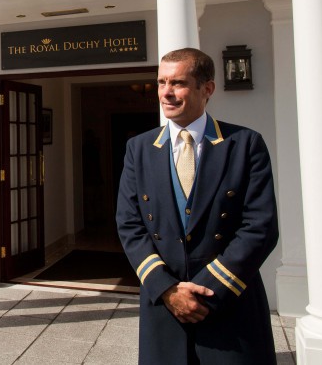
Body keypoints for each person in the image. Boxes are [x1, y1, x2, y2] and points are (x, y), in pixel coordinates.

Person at [116, 48, 279, 364]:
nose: (166, 92)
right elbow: (129, 223)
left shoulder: (245, 144)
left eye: (178, 83)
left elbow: (260, 226)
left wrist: (204, 291)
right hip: (165, 303)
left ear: (207, 89)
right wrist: (169, 291)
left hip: (228, 302)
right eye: (162, 82)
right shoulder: (139, 148)